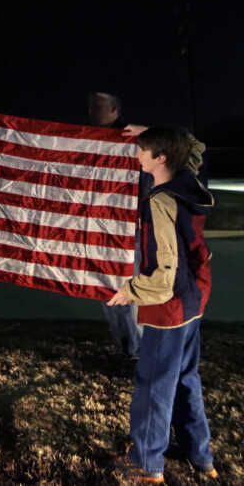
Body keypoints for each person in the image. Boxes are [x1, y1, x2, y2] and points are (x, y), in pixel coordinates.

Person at [108, 126, 218, 482]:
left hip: (168, 306)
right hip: (194, 298)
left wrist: (130, 292)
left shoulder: (160, 201)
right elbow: (194, 146)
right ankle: (199, 455)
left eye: (144, 150)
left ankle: (147, 463)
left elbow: (164, 269)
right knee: (185, 378)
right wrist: (153, 130)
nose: (137, 155)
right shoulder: (189, 180)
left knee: (155, 384)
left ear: (162, 159)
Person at [88, 90, 144, 361]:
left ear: (115, 111)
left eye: (99, 106)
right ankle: (128, 350)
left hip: (128, 227)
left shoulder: (132, 139)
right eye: (91, 106)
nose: (93, 111)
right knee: (109, 292)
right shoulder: (85, 139)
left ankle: (141, 351)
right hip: (100, 229)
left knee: (132, 290)